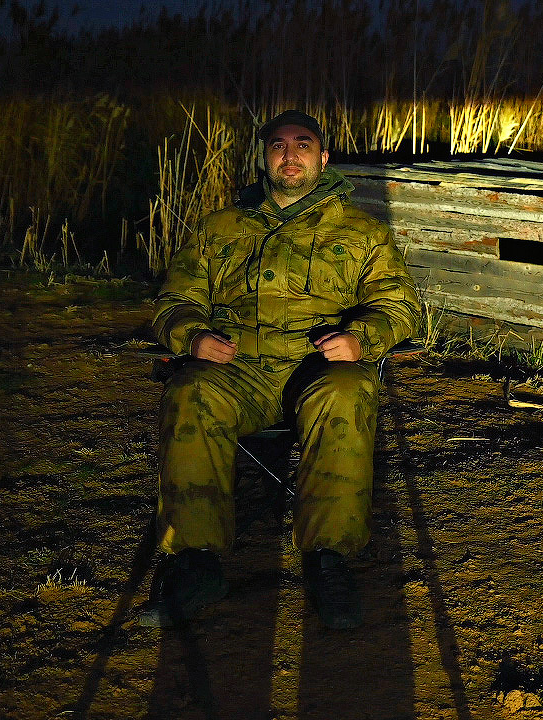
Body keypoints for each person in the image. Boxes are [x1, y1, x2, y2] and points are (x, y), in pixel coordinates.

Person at [139, 109, 421, 630]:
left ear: (324, 157)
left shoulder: (361, 231)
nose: (289, 154)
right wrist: (192, 337)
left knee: (348, 391)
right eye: (278, 146)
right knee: (189, 389)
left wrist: (361, 339)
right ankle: (196, 561)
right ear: (264, 156)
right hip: (236, 369)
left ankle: (328, 560)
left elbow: (401, 307)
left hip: (316, 370)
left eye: (303, 144)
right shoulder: (219, 228)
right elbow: (173, 301)